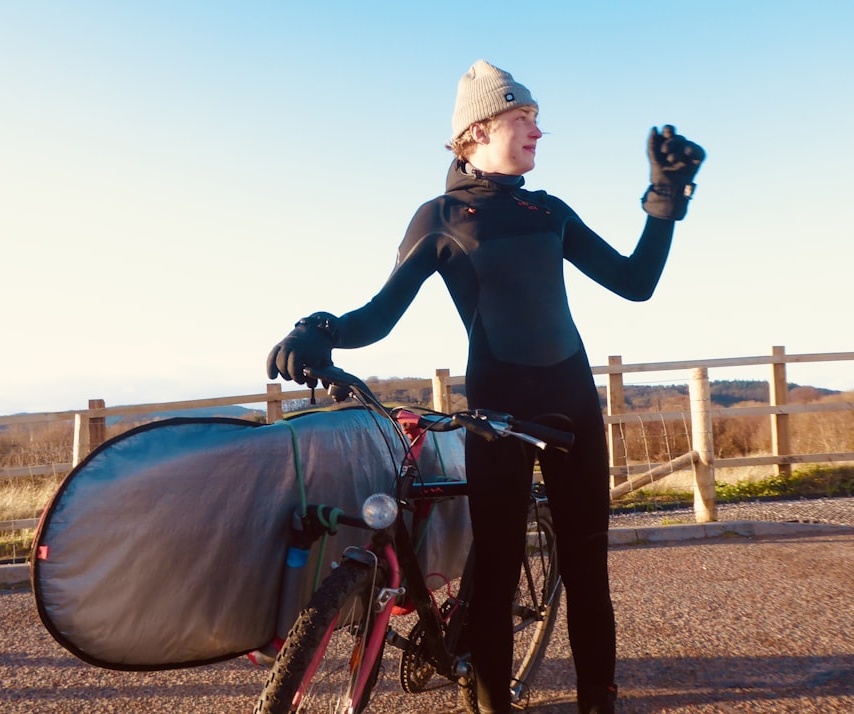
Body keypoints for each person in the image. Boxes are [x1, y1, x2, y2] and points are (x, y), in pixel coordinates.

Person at [266, 59, 704, 714]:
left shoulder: (548, 210)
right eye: (521, 118)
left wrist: (665, 199)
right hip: (497, 410)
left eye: (536, 119)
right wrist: (315, 331)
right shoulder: (441, 217)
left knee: (589, 575)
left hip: (575, 410)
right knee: (495, 576)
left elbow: (635, 282)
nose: (536, 131)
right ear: (474, 131)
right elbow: (376, 317)